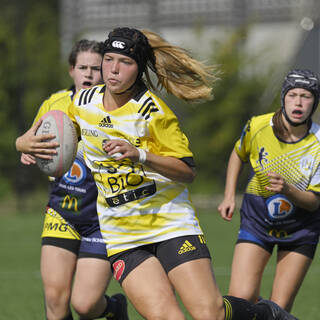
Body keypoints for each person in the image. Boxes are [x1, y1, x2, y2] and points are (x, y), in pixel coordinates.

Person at [19, 27, 298, 320]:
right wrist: (24, 144)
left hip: (168, 222)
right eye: (109, 59)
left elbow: (187, 171)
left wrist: (140, 155)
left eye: (125, 62)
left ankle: (264, 314)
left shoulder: (153, 112)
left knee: (210, 314)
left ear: (138, 68)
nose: (113, 69)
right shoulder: (81, 102)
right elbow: (33, 135)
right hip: (122, 231)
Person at [15, 39, 128, 320]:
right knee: (55, 298)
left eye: (94, 68)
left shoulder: (116, 107)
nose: (88, 74)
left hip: (103, 217)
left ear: (104, 71)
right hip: (62, 210)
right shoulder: (55, 104)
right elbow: (26, 141)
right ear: (71, 71)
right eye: (82, 67)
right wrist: (26, 149)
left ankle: (114, 308)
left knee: (86, 305)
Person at [218, 68, 320, 313]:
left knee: (278, 308)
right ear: (283, 97)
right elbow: (237, 154)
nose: (298, 101)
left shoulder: (318, 142)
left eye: (306, 96)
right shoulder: (258, 126)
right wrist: (229, 195)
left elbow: (314, 203)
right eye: (293, 94)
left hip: (300, 231)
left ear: (314, 103)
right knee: (240, 300)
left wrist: (287, 190)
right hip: (257, 224)